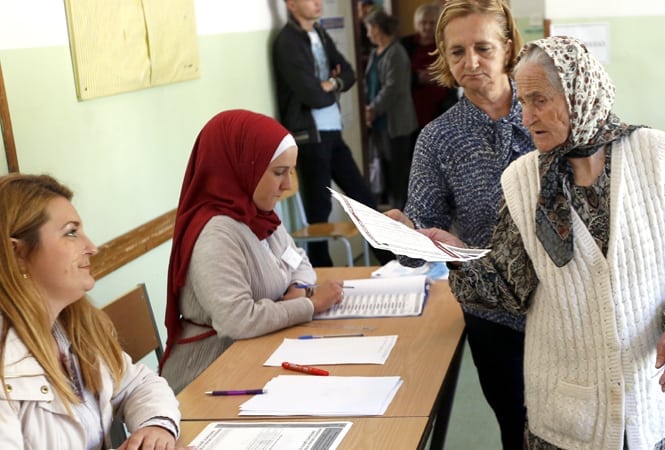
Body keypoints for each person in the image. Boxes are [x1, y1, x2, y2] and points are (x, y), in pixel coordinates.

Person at [420, 36, 665, 449]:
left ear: (579, 93)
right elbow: (509, 290)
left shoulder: (654, 155)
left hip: (653, 404)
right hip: (568, 417)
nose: (527, 117)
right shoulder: (523, 181)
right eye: (523, 101)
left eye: (540, 100)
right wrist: (451, 253)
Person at [385, 1, 531, 448]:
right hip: (491, 311)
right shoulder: (437, 138)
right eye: (456, 52)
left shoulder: (544, 112)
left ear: (508, 48)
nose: (471, 63)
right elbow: (422, 238)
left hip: (565, 305)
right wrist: (401, 235)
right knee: (516, 426)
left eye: (483, 48)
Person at [160, 110, 345, 393]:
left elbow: (299, 260)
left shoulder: (259, 215)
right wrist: (310, 304)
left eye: (291, 171)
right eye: (279, 173)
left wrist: (299, 286)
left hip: (256, 357)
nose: (288, 186)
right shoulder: (216, 234)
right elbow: (238, 321)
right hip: (207, 378)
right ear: (242, 167)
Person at [0, 173, 183, 449]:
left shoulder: (71, 326)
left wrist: (155, 426)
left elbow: (137, 384)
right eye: (71, 232)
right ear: (18, 255)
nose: (92, 248)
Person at [272, 0, 391, 267]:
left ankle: (392, 261)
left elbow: (349, 73)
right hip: (310, 137)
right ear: (291, 4)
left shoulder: (320, 33)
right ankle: (322, 277)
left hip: (333, 132)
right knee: (319, 213)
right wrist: (328, 87)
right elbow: (312, 95)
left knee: (364, 199)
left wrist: (332, 83)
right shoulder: (287, 42)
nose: (318, 3)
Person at [363, 9, 418, 209]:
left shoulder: (396, 52)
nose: (367, 34)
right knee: (383, 173)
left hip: (395, 125)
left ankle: (403, 216)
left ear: (377, 29)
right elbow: (369, 84)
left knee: (398, 176)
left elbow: (393, 88)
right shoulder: (374, 53)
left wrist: (372, 109)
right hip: (378, 124)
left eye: (369, 29)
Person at [400, 2, 458, 133]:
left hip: (442, 107)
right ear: (416, 23)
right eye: (423, 23)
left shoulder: (447, 44)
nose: (427, 27)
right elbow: (398, 75)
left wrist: (439, 76)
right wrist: (418, 77)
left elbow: (456, 72)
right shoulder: (405, 44)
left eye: (431, 23)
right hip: (412, 108)